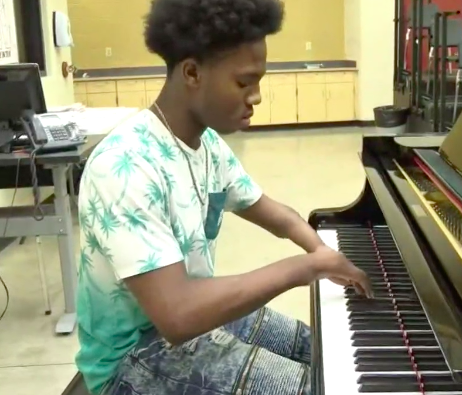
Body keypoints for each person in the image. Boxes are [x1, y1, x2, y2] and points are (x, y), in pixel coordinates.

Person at [74, 0, 373, 394]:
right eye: (244, 82)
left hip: (195, 320)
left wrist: (321, 250)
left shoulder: (208, 145)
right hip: (133, 359)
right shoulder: (123, 166)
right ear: (193, 72)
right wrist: (306, 269)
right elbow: (177, 316)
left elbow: (275, 214)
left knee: (321, 353)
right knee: (316, 388)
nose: (257, 97)